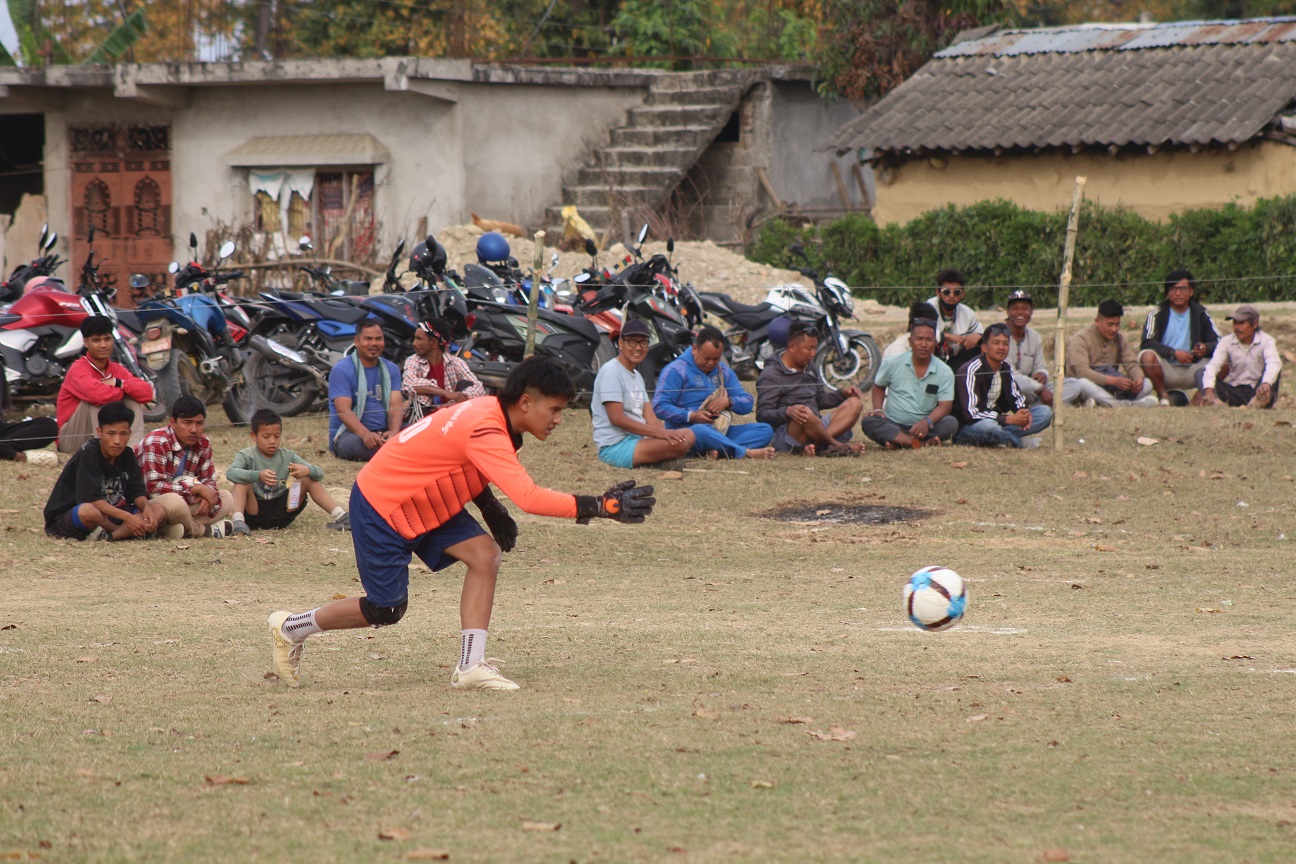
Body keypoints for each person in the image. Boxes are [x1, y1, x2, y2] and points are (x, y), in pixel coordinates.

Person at [265, 356, 657, 691]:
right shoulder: (487, 426)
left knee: (485, 555)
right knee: (386, 609)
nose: (558, 420)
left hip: (426, 497)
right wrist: (601, 506)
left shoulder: (492, 412)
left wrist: (489, 506)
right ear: (524, 402)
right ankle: (292, 627)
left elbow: (453, 459)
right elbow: (529, 498)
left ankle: (471, 666)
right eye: (554, 410)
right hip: (383, 503)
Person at [43, 401, 172, 542]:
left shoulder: (127, 454)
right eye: (111, 433)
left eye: (123, 434)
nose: (117, 441)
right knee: (88, 511)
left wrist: (147, 508)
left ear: (129, 433)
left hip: (108, 514)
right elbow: (92, 500)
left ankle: (110, 537)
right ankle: (124, 532)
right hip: (71, 516)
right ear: (99, 432)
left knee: (158, 509)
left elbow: (137, 493)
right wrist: (128, 518)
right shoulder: (89, 452)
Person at [651, 326, 775, 460]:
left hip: (719, 430)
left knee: (765, 430)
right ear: (694, 349)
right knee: (700, 431)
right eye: (706, 358)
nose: (710, 363)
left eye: (716, 359)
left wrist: (728, 402)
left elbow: (747, 402)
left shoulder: (723, 371)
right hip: (687, 432)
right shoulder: (676, 370)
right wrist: (691, 416)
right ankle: (744, 452)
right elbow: (659, 407)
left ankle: (717, 450)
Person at [227, 409, 350, 535]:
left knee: (307, 479)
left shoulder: (287, 456)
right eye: (266, 436)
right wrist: (256, 475)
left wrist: (307, 470)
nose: (272, 441)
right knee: (241, 482)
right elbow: (231, 473)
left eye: (277, 436)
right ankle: (238, 522)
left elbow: (319, 474)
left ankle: (341, 516)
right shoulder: (246, 455)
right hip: (254, 511)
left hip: (284, 509)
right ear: (253, 436)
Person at [591, 319, 695, 467]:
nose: (638, 348)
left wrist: (667, 436)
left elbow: (651, 417)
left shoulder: (637, 376)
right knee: (680, 443)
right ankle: (658, 459)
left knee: (688, 435)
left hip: (639, 441)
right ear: (621, 343)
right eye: (632, 342)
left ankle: (657, 459)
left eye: (643, 342)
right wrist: (661, 435)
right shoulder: (611, 371)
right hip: (616, 446)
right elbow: (617, 419)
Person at [755, 321, 863, 456]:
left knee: (855, 402)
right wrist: (787, 411)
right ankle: (838, 446)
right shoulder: (771, 374)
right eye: (809, 348)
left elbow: (821, 400)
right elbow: (762, 415)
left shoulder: (810, 366)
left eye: (815, 348)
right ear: (792, 346)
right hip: (791, 433)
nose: (813, 353)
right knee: (805, 412)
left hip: (816, 424)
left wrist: (842, 393)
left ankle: (820, 445)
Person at [136, 395, 236, 539]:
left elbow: (209, 482)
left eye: (199, 423)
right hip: (152, 503)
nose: (194, 429)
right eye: (187, 423)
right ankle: (202, 531)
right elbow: (154, 488)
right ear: (172, 422)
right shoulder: (157, 441)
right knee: (176, 503)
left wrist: (208, 498)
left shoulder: (203, 443)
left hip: (187, 502)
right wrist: (195, 489)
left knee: (227, 498)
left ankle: (172, 529)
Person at [55, 315, 155, 454]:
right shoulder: (78, 369)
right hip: (71, 439)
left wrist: (118, 382)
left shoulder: (116, 369)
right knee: (97, 400)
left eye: (107, 339)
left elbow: (147, 393)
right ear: (86, 342)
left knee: (132, 398)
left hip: (103, 434)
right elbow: (98, 395)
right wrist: (121, 389)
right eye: (96, 340)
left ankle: (132, 452)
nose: (103, 345)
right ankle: (103, 454)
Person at [862, 313, 958, 449]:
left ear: (935, 344)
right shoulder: (892, 363)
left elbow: (945, 405)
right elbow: (878, 387)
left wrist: (928, 421)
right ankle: (917, 444)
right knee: (869, 421)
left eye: (929, 340)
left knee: (951, 423)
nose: (923, 344)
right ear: (910, 341)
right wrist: (877, 410)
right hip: (893, 423)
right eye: (919, 339)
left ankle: (899, 442)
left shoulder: (945, 371)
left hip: (925, 428)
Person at [953, 323, 1053, 448]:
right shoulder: (970, 369)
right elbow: (972, 414)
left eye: (1005, 344)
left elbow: (1016, 396)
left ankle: (1001, 438)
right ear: (984, 348)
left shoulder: (1004, 367)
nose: (1001, 347)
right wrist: (1008, 419)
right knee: (989, 427)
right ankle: (1017, 442)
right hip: (970, 427)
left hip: (998, 422)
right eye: (996, 343)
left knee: (1045, 413)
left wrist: (1023, 413)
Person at [1139, 270, 1220, 406]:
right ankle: (1164, 397)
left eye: (1182, 289)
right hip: (1165, 369)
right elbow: (1147, 342)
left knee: (1225, 359)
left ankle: (1198, 398)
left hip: (1195, 369)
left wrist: (1205, 349)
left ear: (1191, 291)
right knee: (1146, 356)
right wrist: (1173, 353)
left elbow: (1220, 342)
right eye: (1172, 289)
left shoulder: (1201, 314)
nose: (1177, 293)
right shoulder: (1157, 314)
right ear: (1167, 292)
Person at [328, 319, 404, 461]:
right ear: (356, 341)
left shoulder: (391, 369)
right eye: (368, 339)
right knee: (362, 446)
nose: (374, 344)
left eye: (378, 339)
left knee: (418, 433)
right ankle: (397, 452)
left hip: (384, 431)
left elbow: (395, 406)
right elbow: (343, 410)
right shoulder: (342, 370)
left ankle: (394, 448)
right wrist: (365, 435)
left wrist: (393, 433)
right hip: (351, 435)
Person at [1061, 300, 1156, 407]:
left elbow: (1131, 363)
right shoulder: (1081, 339)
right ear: (1097, 321)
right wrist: (1113, 381)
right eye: (1110, 325)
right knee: (1082, 383)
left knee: (1147, 384)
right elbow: (1082, 373)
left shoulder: (1120, 338)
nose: (1114, 329)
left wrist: (1138, 378)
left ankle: (1106, 403)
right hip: (1089, 388)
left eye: (1117, 324)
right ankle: (1124, 405)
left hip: (1112, 390)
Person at [1196, 305, 1281, 408]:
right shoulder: (1226, 341)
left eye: (1241, 323)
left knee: (1275, 368)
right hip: (1235, 391)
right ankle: (1214, 402)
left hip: (1258, 390)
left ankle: (1258, 403)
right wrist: (1209, 390)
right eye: (1235, 323)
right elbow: (1213, 366)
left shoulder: (1266, 341)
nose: (1237, 328)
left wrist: (1266, 383)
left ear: (1254, 324)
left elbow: (1273, 363)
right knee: (1200, 373)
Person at [402, 318, 484, 425]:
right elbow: (409, 384)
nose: (414, 343)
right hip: (422, 421)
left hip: (451, 420)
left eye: (418, 339)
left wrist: (454, 403)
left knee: (466, 385)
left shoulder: (456, 363)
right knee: (422, 396)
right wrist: (445, 393)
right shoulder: (413, 360)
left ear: (434, 343)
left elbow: (478, 387)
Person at [925, 269, 983, 370]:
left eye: (956, 292)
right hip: (930, 362)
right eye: (946, 292)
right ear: (938, 292)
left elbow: (982, 332)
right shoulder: (928, 309)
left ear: (962, 294)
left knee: (982, 349)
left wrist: (977, 336)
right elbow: (921, 333)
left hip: (955, 361)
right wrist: (946, 336)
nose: (951, 296)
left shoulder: (967, 313)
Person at [1004, 290, 1053, 407]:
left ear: (1031, 312)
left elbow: (1040, 366)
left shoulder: (1035, 336)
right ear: (1008, 311)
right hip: (1009, 386)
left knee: (1072, 384)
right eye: (1015, 308)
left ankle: (1035, 404)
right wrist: (1040, 389)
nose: (1020, 312)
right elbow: (1009, 373)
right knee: (1022, 386)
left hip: (1032, 386)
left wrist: (1042, 374)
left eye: (1025, 308)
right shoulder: (999, 335)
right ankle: (1041, 405)